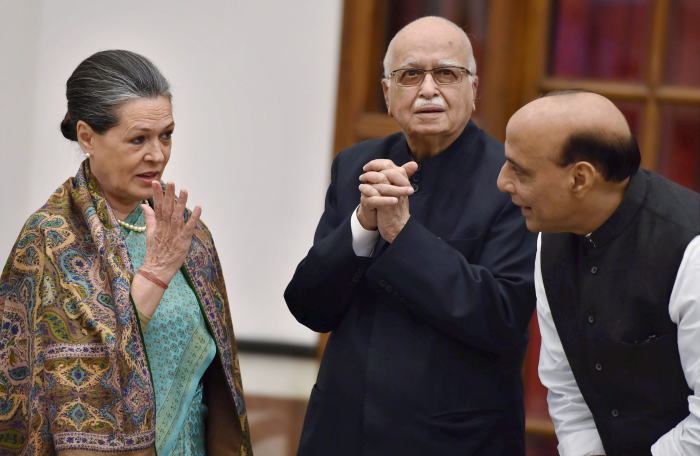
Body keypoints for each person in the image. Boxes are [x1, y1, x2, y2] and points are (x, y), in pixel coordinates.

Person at [285, 16, 537, 455]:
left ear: (473, 89)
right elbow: (309, 306)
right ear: (387, 94)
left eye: (446, 73)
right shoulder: (356, 167)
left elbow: (503, 319)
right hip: (341, 433)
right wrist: (362, 227)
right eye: (410, 75)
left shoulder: (510, 179)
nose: (427, 90)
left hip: (451, 439)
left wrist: (402, 233)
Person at [0, 50, 251, 456]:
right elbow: (84, 378)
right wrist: (155, 272)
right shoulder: (50, 238)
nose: (157, 154)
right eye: (139, 139)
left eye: (166, 135)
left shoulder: (187, 231)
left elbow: (220, 384)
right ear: (87, 138)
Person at [497, 89, 700, 456]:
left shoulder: (691, 250)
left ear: (580, 179)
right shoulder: (550, 238)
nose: (502, 182)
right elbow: (566, 386)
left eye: (520, 170)